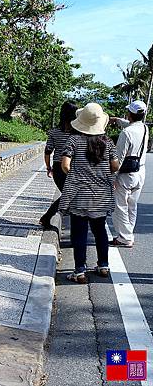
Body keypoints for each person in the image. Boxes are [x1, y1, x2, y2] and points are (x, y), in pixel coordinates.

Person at [59, 103, 119, 283]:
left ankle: (79, 271)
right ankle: (103, 265)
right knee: (100, 230)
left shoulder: (73, 140)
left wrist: (78, 175)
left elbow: (65, 165)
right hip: (101, 195)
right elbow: (115, 165)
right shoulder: (108, 142)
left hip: (80, 195)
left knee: (79, 232)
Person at [110, 100, 149, 248]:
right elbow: (131, 125)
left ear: (129, 114)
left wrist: (112, 177)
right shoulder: (145, 128)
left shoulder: (126, 133)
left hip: (126, 174)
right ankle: (127, 233)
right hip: (140, 172)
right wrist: (117, 120)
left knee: (120, 206)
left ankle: (125, 238)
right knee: (132, 205)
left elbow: (118, 159)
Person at [39, 101, 78, 228]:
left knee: (69, 195)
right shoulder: (77, 132)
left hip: (58, 168)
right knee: (70, 195)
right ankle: (46, 218)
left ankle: (47, 218)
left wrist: (48, 167)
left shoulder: (54, 132)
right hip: (72, 166)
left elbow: (48, 151)